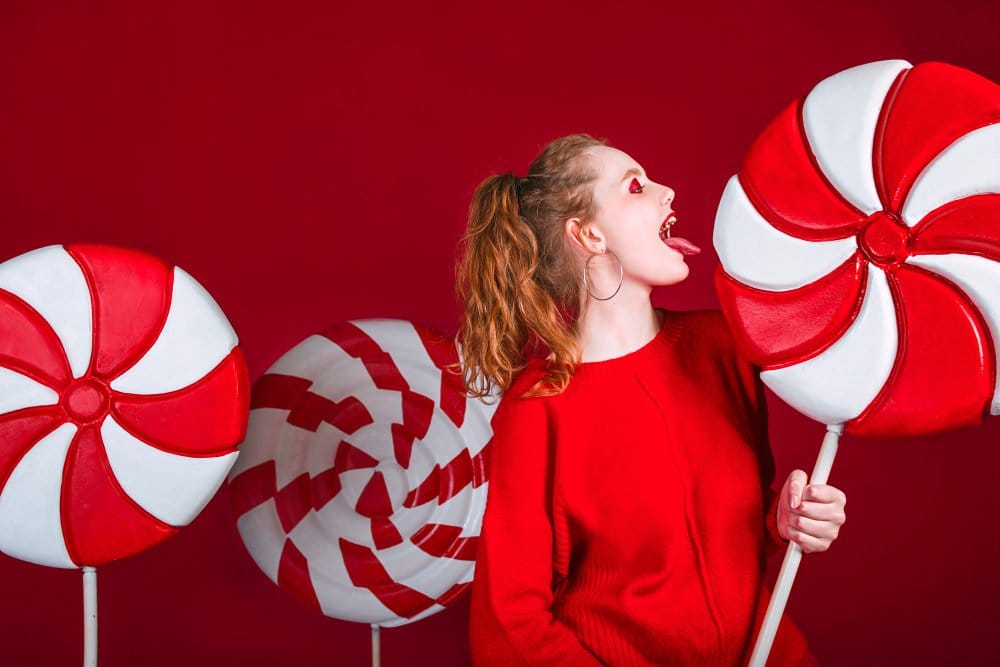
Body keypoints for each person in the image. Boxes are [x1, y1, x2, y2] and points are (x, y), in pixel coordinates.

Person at [453, 133, 847, 666]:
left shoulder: (723, 348)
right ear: (588, 234)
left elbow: (727, 541)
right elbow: (508, 626)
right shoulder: (538, 408)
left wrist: (787, 521)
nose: (668, 192)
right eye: (636, 187)